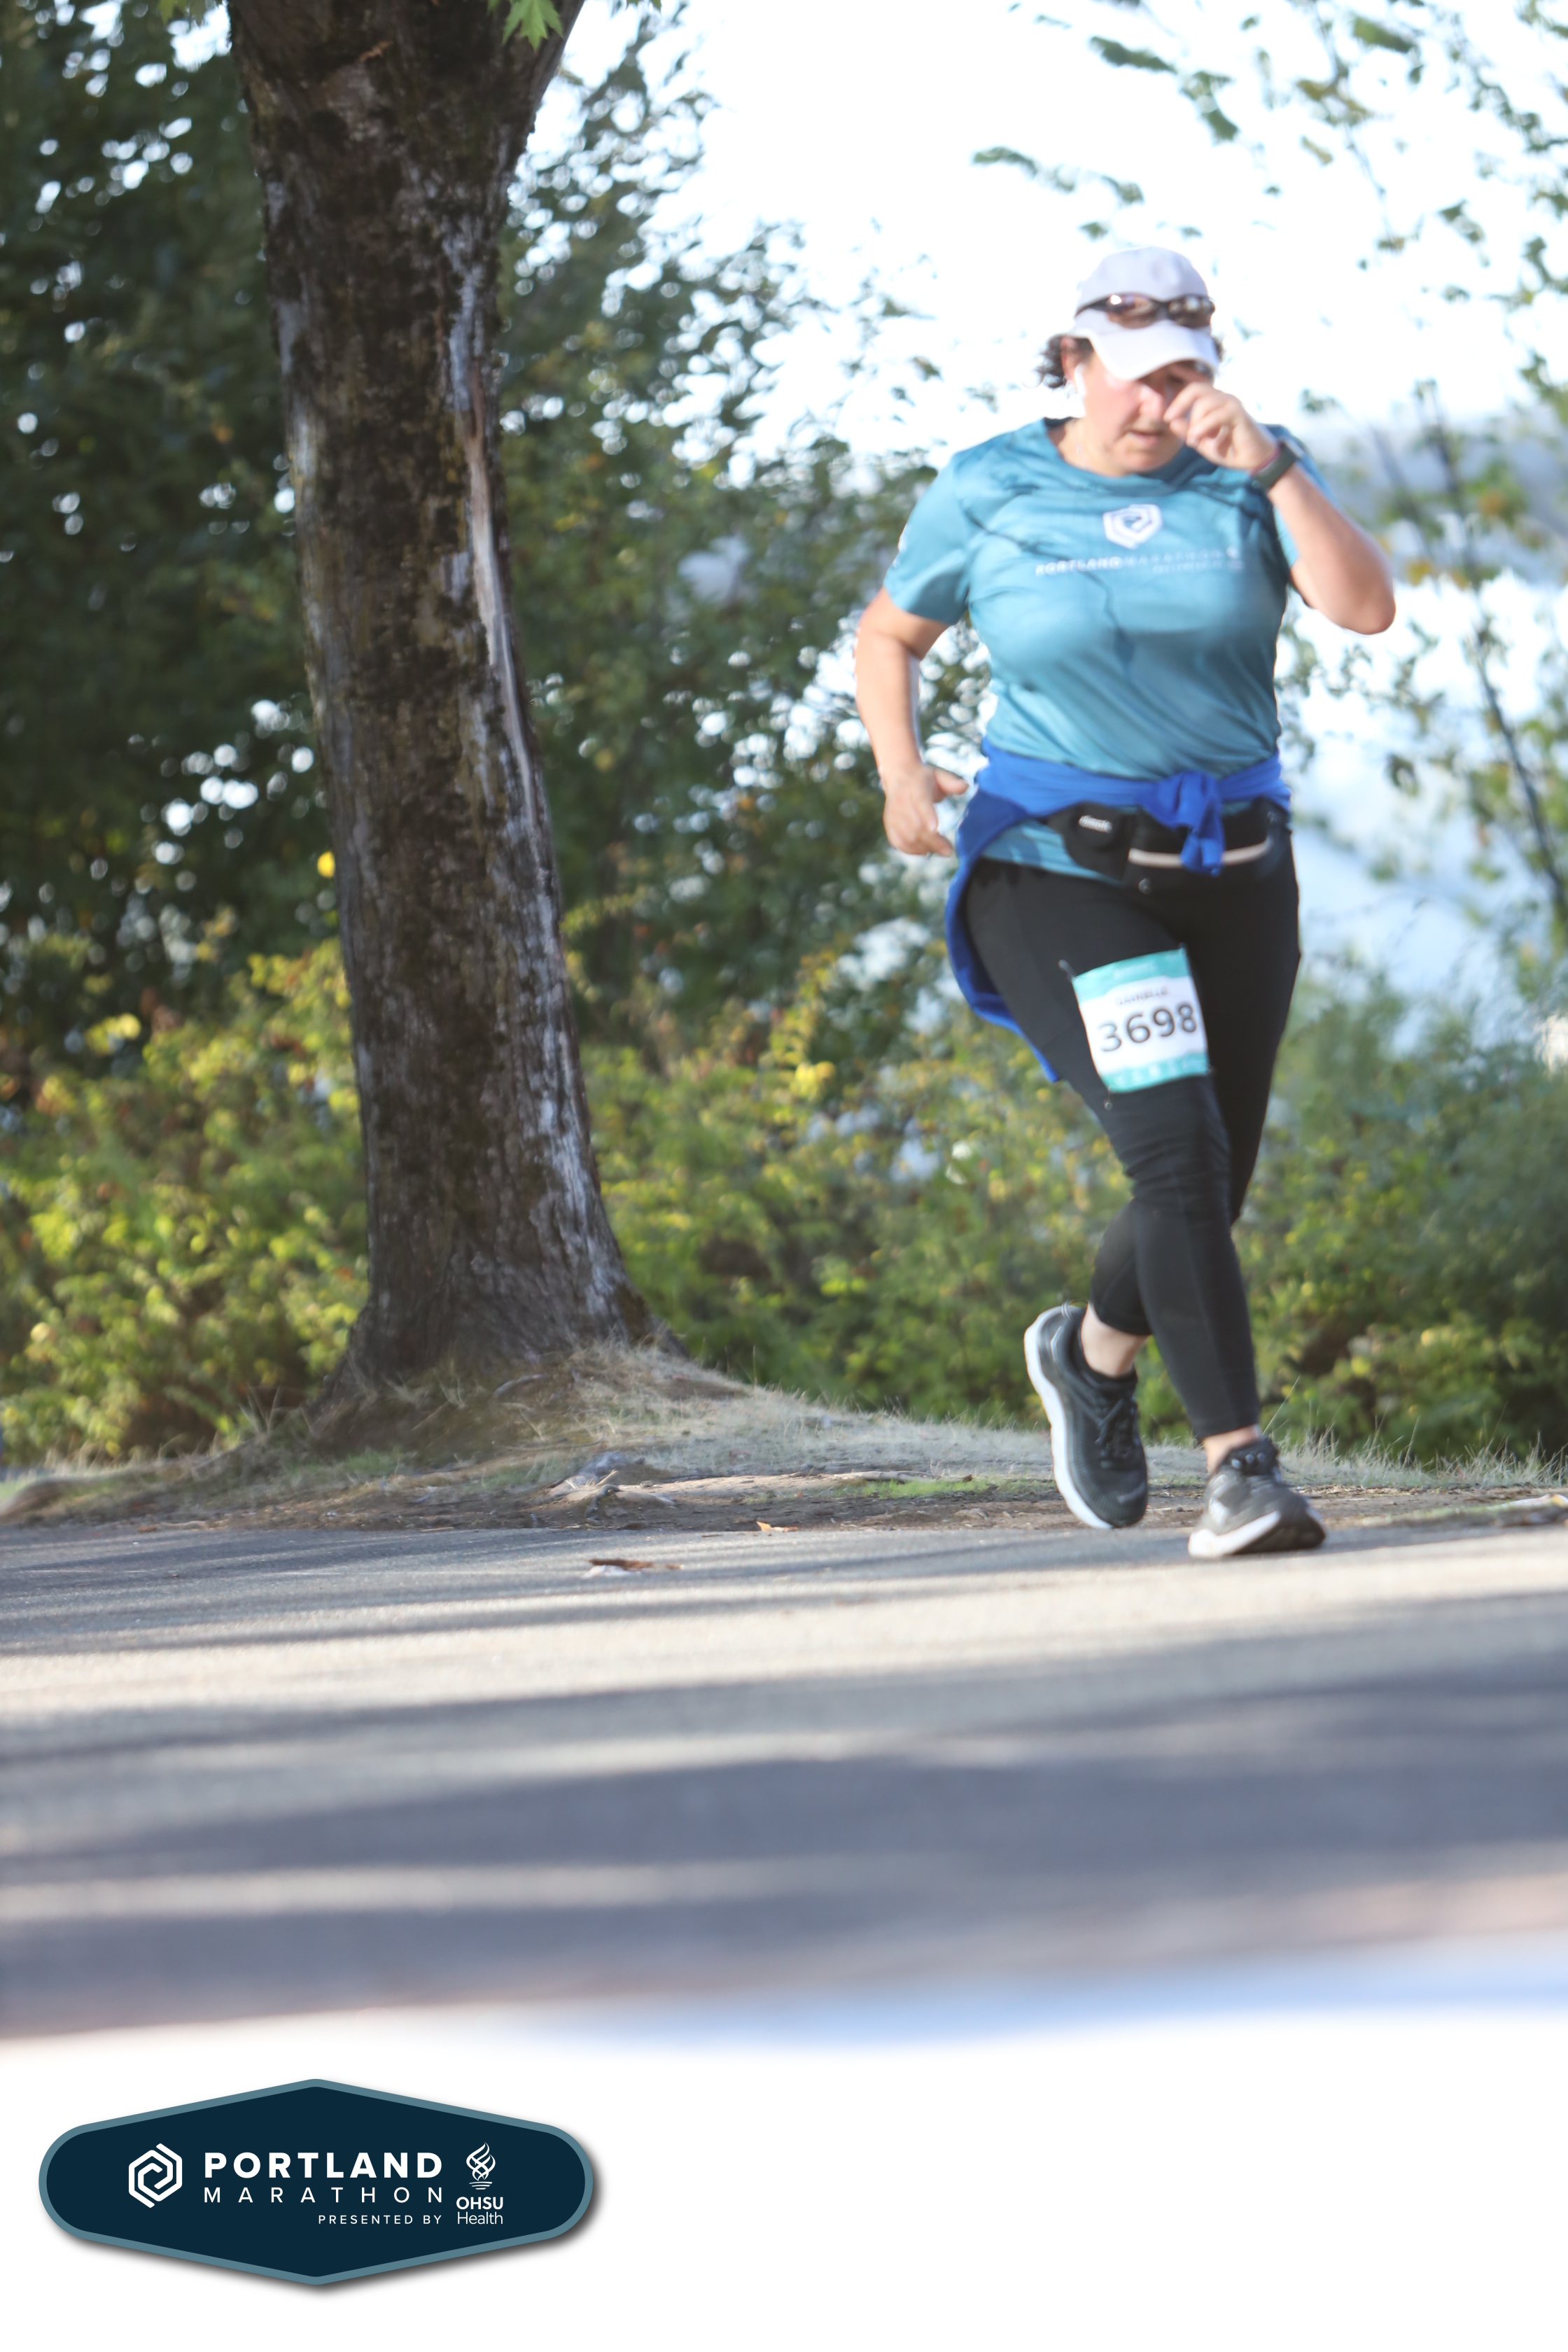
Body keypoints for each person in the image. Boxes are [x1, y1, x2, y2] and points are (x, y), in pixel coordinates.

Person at [855, 246, 1395, 1558]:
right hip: (1058, 867)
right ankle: (1242, 1472)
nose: (1162, 401)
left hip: (1237, 868)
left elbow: (1366, 609)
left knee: (1214, 1171)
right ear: (1074, 361)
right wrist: (899, 773)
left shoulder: (1247, 474)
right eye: (1138, 374)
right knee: (1174, 1152)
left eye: (1186, 375)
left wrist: (1274, 466)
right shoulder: (993, 486)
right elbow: (889, 635)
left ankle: (1092, 1355)